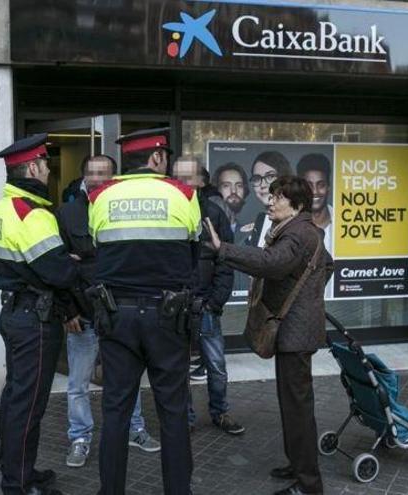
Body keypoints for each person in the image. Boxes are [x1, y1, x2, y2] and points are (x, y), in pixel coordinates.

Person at [204, 176, 333, 495]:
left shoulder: (297, 233)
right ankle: (299, 464)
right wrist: (308, 297)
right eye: (272, 195)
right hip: (296, 330)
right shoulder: (304, 230)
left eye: (278, 197)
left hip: (295, 334)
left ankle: (308, 484)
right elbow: (327, 266)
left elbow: (271, 264)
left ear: (297, 205)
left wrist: (224, 249)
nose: (270, 202)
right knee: (293, 405)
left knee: (297, 409)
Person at [88, 128, 200, 495]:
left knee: (116, 411)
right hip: (168, 318)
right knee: (172, 411)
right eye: (164, 156)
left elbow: (96, 247)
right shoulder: (184, 194)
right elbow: (194, 248)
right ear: (155, 159)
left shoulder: (100, 196)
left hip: (116, 316)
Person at [0, 134, 81, 495]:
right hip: (34, 321)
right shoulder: (33, 213)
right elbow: (57, 272)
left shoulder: (2, 207)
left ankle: (17, 470)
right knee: (28, 405)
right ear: (31, 168)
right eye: (45, 164)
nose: (48, 170)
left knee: (15, 398)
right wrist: (72, 264)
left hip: (14, 314)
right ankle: (19, 483)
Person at [56, 155, 161, 469]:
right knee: (78, 383)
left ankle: (135, 429)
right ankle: (80, 437)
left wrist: (85, 259)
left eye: (104, 173)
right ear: (83, 177)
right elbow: (60, 267)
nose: (97, 178)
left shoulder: (126, 210)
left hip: (120, 313)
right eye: (91, 173)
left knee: (127, 378)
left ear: (115, 178)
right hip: (84, 315)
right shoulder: (67, 212)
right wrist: (68, 311)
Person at [172, 156, 244, 436]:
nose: (183, 182)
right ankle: (186, 418)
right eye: (177, 176)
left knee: (216, 365)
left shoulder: (214, 214)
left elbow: (226, 261)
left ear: (201, 182)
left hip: (207, 306)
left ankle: (220, 412)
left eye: (188, 177)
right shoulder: (167, 212)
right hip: (177, 307)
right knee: (178, 369)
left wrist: (216, 301)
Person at [296, 153, 334, 298]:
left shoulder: (345, 223)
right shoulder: (290, 227)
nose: (315, 192)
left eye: (321, 185)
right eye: (309, 186)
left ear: (328, 187)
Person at [240, 151, 293, 248]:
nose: (263, 185)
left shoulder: (296, 221)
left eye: (270, 176)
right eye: (257, 178)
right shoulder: (260, 220)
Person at [212, 162, 248, 232]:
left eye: (239, 185)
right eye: (226, 185)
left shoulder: (249, 233)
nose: (234, 191)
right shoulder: (204, 230)